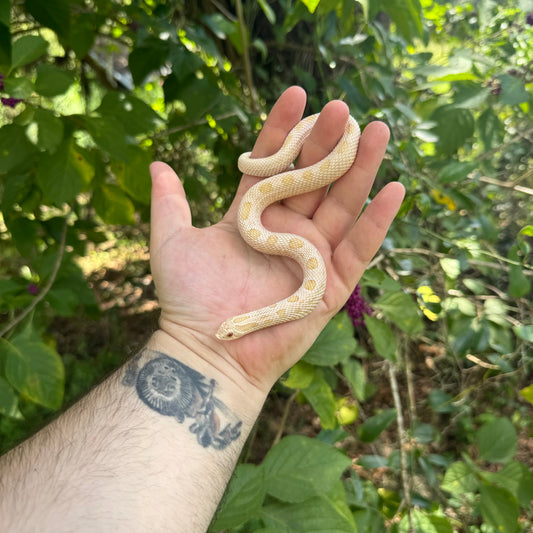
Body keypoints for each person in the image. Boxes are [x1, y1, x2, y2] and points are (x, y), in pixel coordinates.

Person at [0, 86, 405, 532]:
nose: (224, 332)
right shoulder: (281, 283)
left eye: (229, 332)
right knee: (328, 131)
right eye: (230, 332)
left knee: (340, 128)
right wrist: (195, 350)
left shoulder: (295, 288)